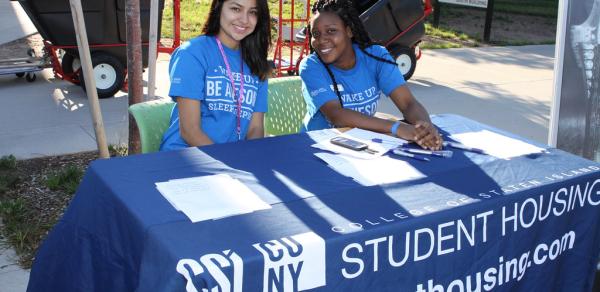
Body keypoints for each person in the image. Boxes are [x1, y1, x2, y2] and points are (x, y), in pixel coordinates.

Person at [299, 0, 442, 150]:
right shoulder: (311, 66)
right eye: (316, 34)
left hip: (363, 143)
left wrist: (425, 129)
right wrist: (397, 128)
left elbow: (408, 103)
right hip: (318, 146)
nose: (321, 40)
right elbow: (336, 115)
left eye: (331, 31)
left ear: (349, 31)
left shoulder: (376, 56)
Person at [160, 0, 271, 151]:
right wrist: (229, 165)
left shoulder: (257, 63)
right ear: (219, 8)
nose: (244, 20)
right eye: (235, 9)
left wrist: (250, 159)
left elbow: (255, 129)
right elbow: (189, 131)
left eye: (253, 12)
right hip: (186, 156)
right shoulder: (192, 53)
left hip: (232, 160)